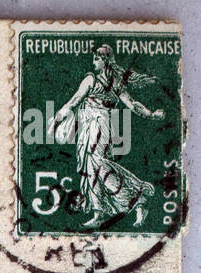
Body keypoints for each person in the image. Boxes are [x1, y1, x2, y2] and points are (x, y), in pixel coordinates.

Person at [49, 45, 164, 228]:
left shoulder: (105, 81)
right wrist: (58, 119)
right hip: (89, 124)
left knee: (97, 163)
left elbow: (132, 104)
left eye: (96, 58)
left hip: (99, 124)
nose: (93, 61)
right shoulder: (96, 80)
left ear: (105, 60)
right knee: (90, 165)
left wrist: (150, 114)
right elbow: (74, 102)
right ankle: (102, 210)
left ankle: (135, 196)